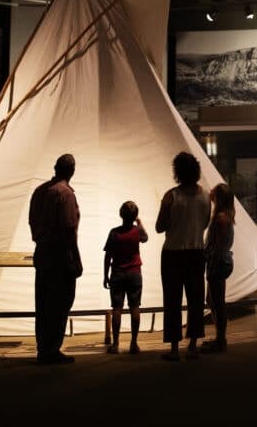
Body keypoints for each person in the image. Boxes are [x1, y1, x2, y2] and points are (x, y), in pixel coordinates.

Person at [155, 151, 211, 361]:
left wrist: (174, 222)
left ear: (177, 172)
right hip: (196, 252)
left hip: (173, 254)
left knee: (172, 300)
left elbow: (160, 227)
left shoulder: (171, 196)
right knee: (196, 299)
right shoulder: (205, 196)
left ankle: (174, 349)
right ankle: (193, 346)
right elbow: (205, 223)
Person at [28, 153, 82, 364]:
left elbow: (32, 221)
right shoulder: (65, 194)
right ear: (72, 171)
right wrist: (76, 259)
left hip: (42, 253)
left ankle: (43, 348)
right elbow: (68, 230)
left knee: (42, 304)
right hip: (60, 256)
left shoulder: (40, 192)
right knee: (60, 304)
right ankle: (52, 349)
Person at [103, 200, 148, 355]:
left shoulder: (114, 233)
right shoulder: (137, 231)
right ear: (135, 215)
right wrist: (139, 222)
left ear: (120, 214)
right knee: (135, 307)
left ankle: (115, 344)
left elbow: (108, 256)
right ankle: (133, 344)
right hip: (135, 273)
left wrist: (105, 275)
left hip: (118, 274)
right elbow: (145, 238)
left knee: (117, 308)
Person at [202, 182, 235, 354]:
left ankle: (221, 340)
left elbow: (218, 246)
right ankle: (219, 338)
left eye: (214, 193)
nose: (210, 193)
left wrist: (211, 264)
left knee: (218, 303)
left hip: (219, 262)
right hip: (219, 262)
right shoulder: (223, 215)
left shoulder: (221, 218)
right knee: (211, 300)